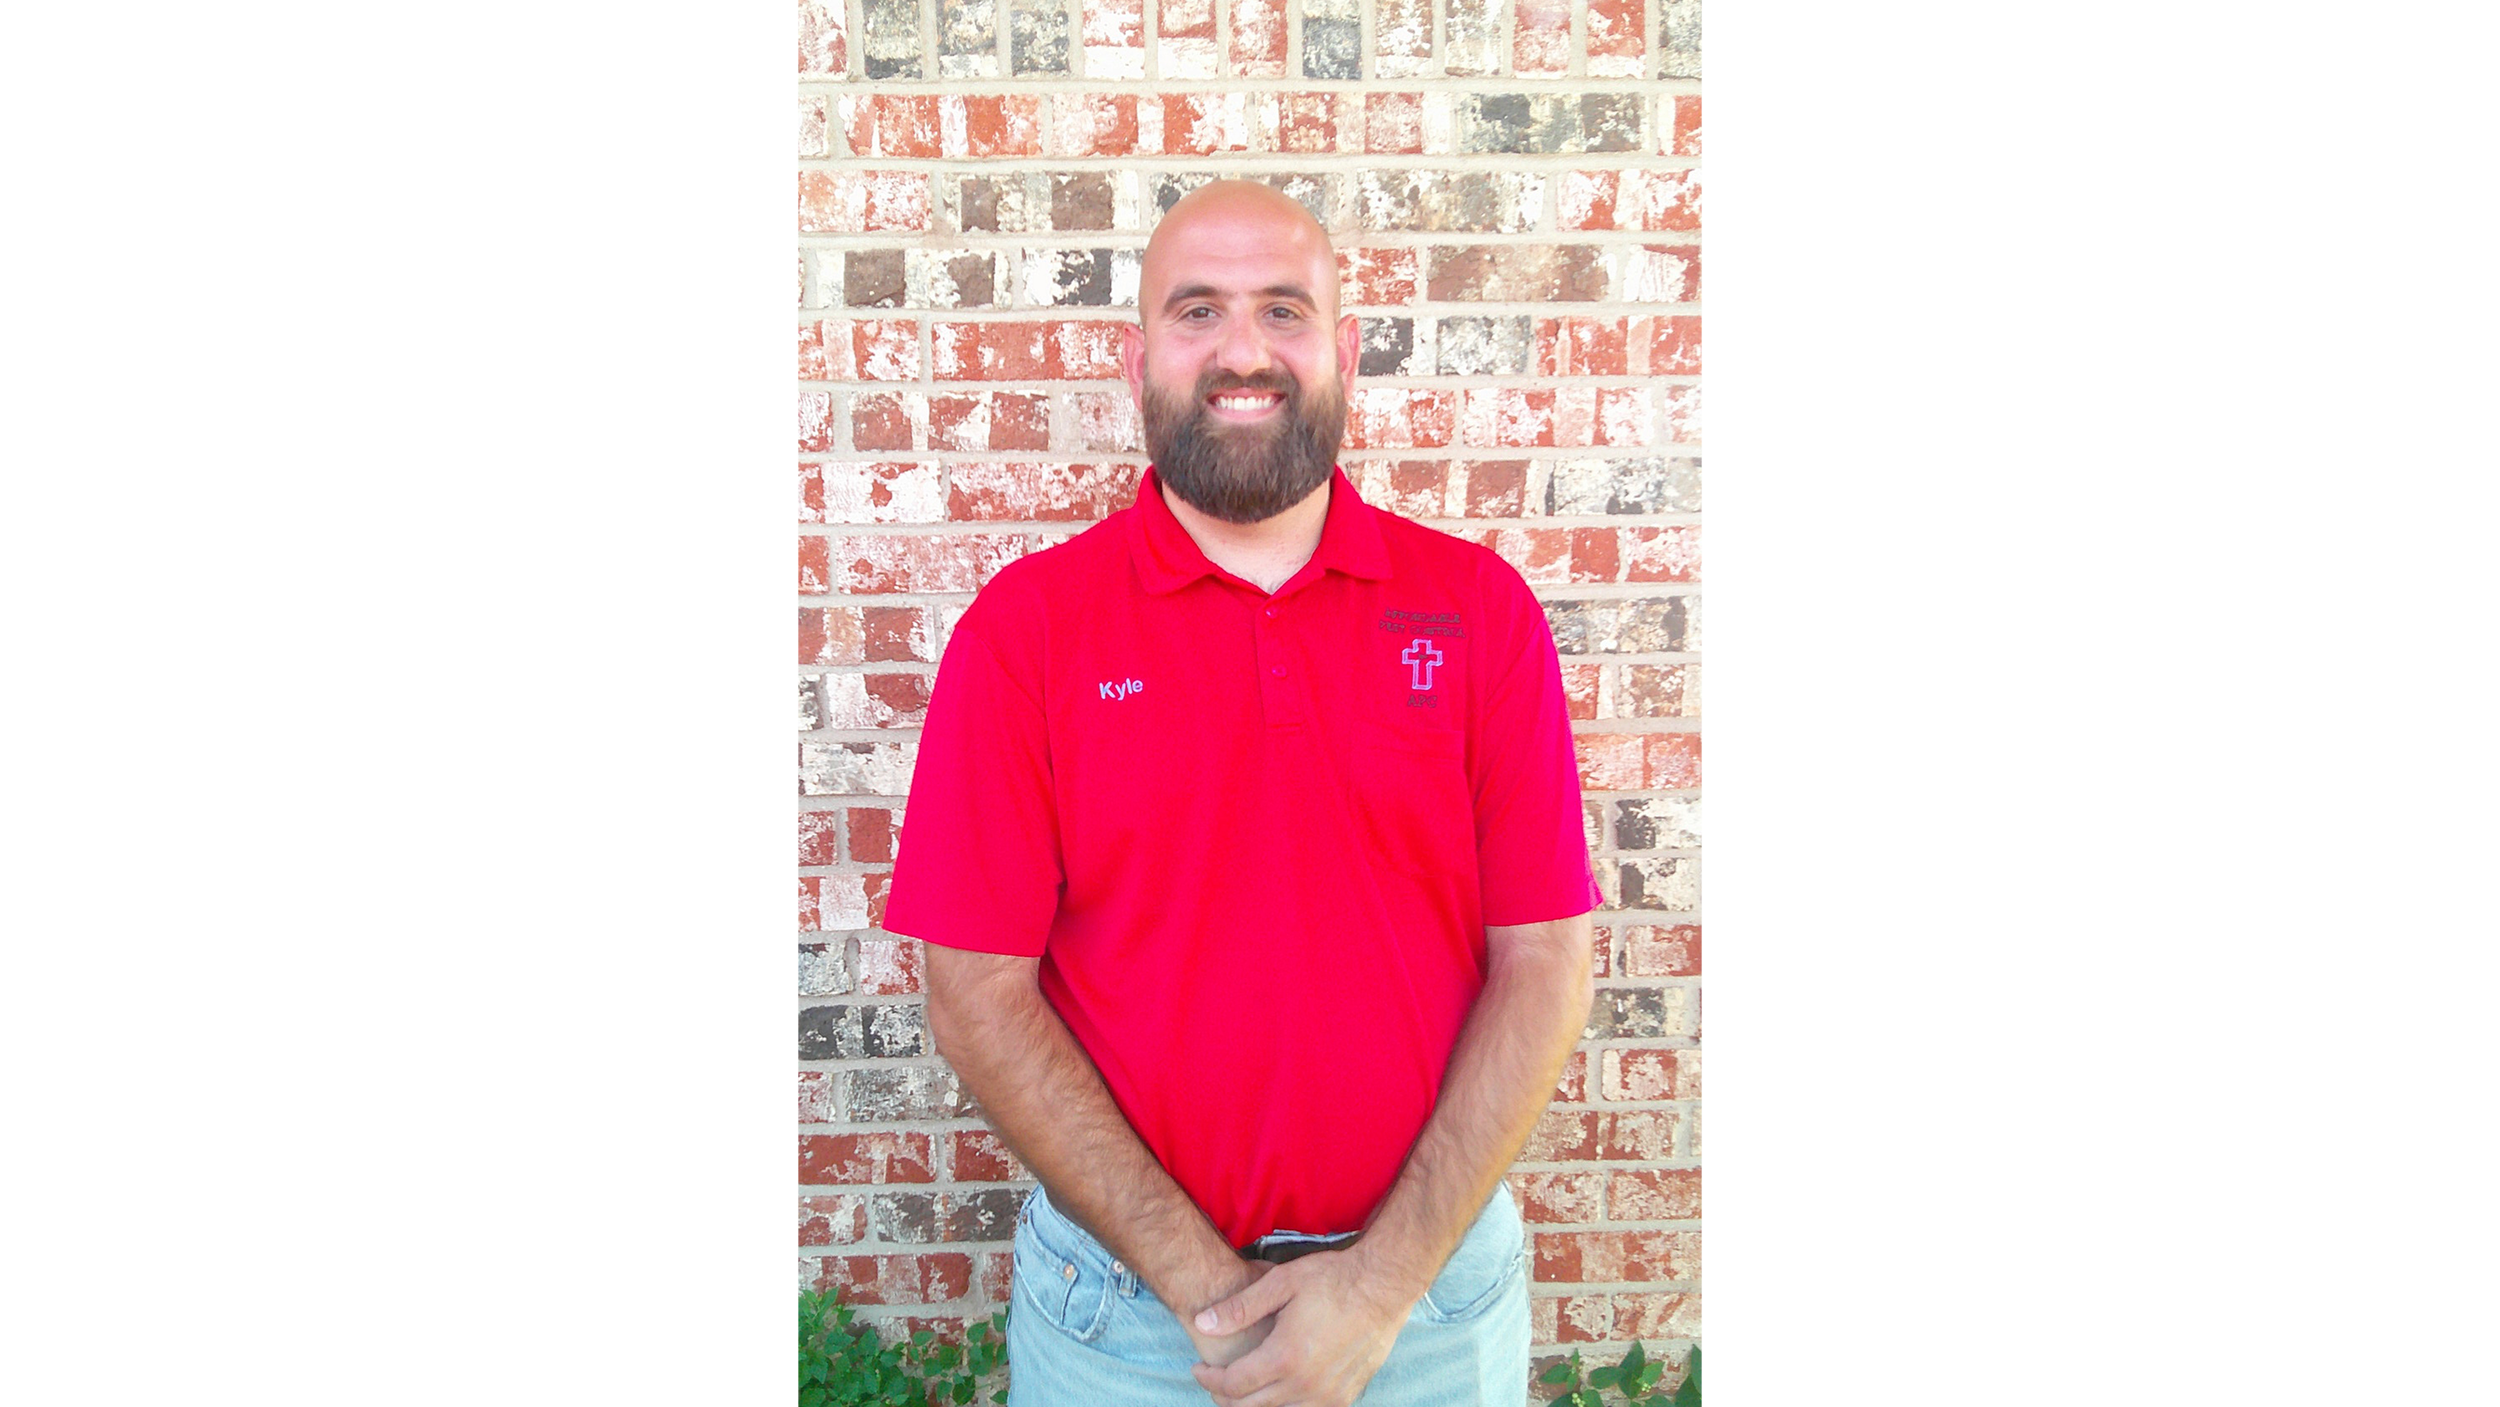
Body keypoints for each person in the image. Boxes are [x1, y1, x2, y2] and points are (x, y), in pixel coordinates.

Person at [883, 179, 1601, 1407]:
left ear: (1345, 351)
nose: (1242, 352)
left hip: (1428, 1306)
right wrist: (1205, 1293)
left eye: (1282, 309)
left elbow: (1544, 961)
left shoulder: (1478, 614)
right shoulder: (1028, 632)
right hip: (1125, 1325)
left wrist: (1377, 1288)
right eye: (1197, 310)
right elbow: (975, 995)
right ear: (1137, 361)